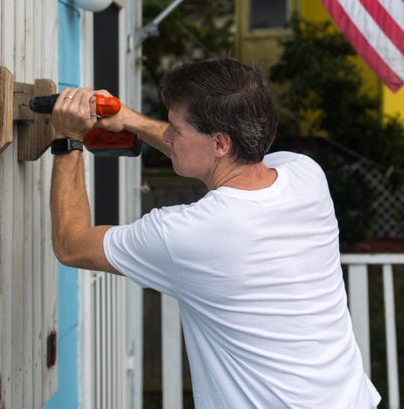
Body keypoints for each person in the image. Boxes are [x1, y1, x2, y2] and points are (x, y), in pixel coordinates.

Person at [49, 57, 380, 409]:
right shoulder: (305, 176)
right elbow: (203, 158)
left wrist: (67, 139)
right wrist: (129, 120)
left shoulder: (190, 234)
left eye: (176, 129)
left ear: (221, 143)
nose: (170, 136)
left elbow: (71, 245)